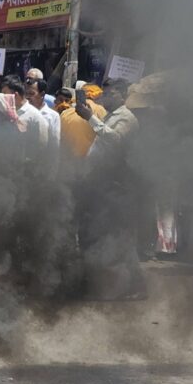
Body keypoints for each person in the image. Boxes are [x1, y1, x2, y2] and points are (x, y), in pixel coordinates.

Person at [75, 78, 144, 299]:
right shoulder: (110, 116)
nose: (105, 97)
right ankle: (104, 282)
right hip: (101, 182)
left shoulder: (127, 118)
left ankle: (137, 285)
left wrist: (90, 118)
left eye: (111, 93)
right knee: (102, 232)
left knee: (121, 235)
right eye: (104, 93)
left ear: (123, 95)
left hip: (116, 184)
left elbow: (114, 140)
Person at [25, 76, 61, 178]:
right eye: (26, 94)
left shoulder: (53, 116)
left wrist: (52, 172)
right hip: (23, 166)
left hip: (42, 168)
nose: (28, 97)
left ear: (42, 94)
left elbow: (55, 144)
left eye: (32, 94)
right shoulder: (23, 112)